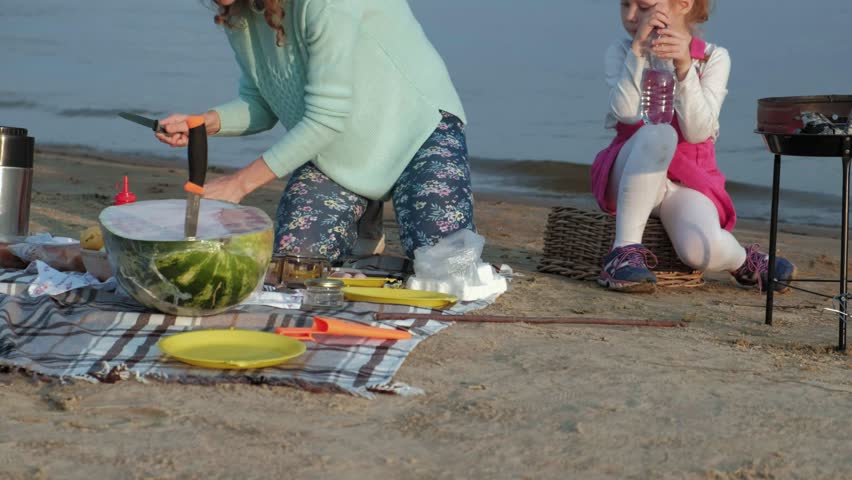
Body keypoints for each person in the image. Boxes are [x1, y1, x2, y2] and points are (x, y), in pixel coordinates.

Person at [155, 0, 475, 262]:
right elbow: (261, 102)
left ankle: (381, 200)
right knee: (296, 261)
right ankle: (364, 216)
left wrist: (238, 184)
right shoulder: (238, 13)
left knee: (446, 262)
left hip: (417, 131)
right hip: (338, 151)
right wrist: (204, 123)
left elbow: (324, 119)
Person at [591, 0, 795, 293]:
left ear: (684, 4)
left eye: (644, 6)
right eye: (625, 5)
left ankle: (744, 261)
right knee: (660, 134)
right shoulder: (623, 51)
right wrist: (638, 53)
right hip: (630, 170)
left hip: (687, 182)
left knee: (698, 250)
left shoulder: (713, 58)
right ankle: (622, 253)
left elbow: (698, 132)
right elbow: (626, 113)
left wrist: (685, 67)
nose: (632, 16)